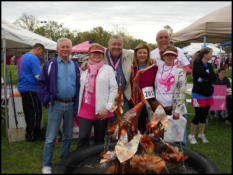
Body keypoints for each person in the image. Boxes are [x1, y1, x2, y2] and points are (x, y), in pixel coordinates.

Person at [37, 38, 80, 174]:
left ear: (71, 49)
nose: (65, 49)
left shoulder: (76, 65)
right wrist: (47, 99)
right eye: (62, 47)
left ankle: (63, 161)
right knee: (51, 137)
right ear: (57, 49)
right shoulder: (50, 64)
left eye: (67, 47)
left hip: (71, 104)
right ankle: (46, 165)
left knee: (68, 136)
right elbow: (41, 84)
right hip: (56, 104)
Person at [76, 43, 118, 149]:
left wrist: (108, 108)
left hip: (101, 110)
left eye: (99, 53)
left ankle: (96, 162)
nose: (97, 55)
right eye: (94, 52)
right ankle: (81, 161)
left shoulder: (108, 69)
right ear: (89, 54)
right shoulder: (84, 68)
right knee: (83, 137)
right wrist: (83, 66)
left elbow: (114, 89)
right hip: (85, 108)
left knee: (99, 139)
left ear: (103, 55)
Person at [81, 35, 134, 117]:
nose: (116, 47)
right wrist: (85, 62)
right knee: (107, 126)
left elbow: (142, 57)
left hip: (123, 98)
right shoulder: (103, 54)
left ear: (122, 46)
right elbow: (92, 58)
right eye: (114, 44)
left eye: (119, 44)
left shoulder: (129, 55)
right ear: (108, 45)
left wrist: (151, 59)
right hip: (106, 100)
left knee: (123, 126)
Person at [188, 47, 216, 144]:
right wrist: (207, 78)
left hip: (208, 94)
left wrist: (206, 78)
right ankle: (191, 135)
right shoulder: (197, 63)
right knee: (198, 115)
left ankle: (201, 134)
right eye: (210, 53)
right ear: (205, 54)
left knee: (204, 115)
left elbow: (213, 76)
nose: (212, 55)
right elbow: (201, 75)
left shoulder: (209, 64)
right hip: (199, 94)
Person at [17, 43, 45, 142]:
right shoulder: (33, 58)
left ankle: (29, 133)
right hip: (31, 88)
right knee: (36, 112)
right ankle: (34, 135)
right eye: (41, 53)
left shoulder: (21, 57)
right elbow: (38, 76)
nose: (40, 55)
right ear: (38, 49)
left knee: (28, 113)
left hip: (23, 88)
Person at [129, 43, 158, 134]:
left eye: (144, 53)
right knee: (135, 127)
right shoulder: (131, 68)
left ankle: (146, 145)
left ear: (148, 55)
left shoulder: (153, 68)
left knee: (147, 127)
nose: (142, 55)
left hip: (148, 102)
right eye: (140, 53)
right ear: (136, 55)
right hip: (134, 102)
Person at [155, 45, 187, 120]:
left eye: (172, 55)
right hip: (159, 107)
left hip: (172, 108)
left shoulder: (180, 71)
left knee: (172, 131)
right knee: (159, 130)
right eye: (167, 55)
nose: (170, 57)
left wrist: (177, 110)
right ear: (163, 56)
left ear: (175, 57)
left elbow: (182, 92)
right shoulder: (157, 69)